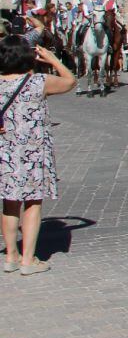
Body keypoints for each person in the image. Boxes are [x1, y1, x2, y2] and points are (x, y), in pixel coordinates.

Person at [1, 39, 75, 276]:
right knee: (33, 203)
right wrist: (53, 59)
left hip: (5, 152)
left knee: (9, 203)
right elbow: (70, 81)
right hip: (33, 152)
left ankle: (11, 255)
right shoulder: (38, 82)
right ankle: (28, 259)